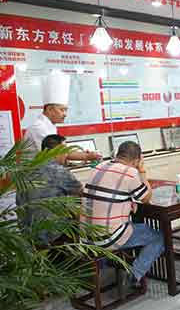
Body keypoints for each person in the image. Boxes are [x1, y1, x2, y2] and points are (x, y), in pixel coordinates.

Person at [81, 141, 164, 289]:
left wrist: (127, 202)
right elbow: (146, 197)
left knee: (133, 226)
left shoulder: (99, 167)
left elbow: (112, 194)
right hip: (108, 238)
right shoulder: (130, 172)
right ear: (136, 160)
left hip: (85, 236)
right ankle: (134, 275)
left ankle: (100, 271)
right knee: (159, 237)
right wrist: (142, 171)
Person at [16, 134, 83, 244]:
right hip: (52, 234)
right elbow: (81, 192)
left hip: (27, 234)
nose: (67, 155)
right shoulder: (58, 171)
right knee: (80, 213)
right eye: (66, 151)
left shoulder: (27, 169)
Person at [24, 74, 101, 162]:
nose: (65, 114)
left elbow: (62, 150)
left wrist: (84, 154)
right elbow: (58, 152)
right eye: (62, 110)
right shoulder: (39, 127)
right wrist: (86, 156)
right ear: (49, 109)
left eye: (66, 110)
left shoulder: (50, 125)